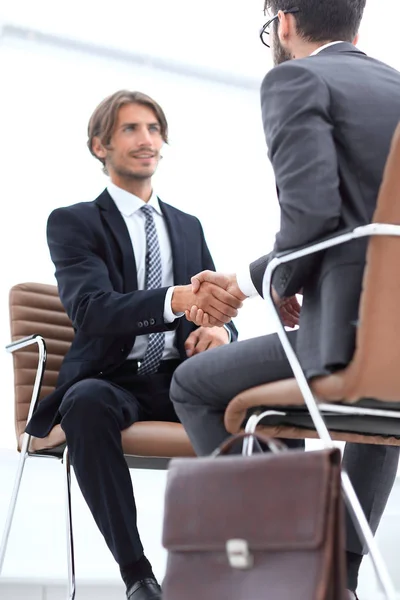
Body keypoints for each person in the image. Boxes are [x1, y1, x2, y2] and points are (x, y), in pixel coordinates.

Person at [169, 1, 400, 598]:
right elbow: (364, 225)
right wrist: (291, 279)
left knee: (193, 385)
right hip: (391, 348)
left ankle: (287, 573)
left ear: (286, 23)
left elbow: (314, 219)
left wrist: (249, 285)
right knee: (385, 404)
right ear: (356, 23)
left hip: (344, 341)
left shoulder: (296, 77)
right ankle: (338, 577)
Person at [25, 90, 240, 600]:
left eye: (154, 128)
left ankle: (271, 561)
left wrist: (219, 331)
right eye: (130, 129)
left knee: (265, 403)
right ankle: (138, 576)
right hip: (110, 380)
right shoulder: (74, 222)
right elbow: (92, 310)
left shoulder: (188, 226)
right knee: (86, 404)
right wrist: (174, 299)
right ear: (100, 146)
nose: (147, 140)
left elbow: (213, 307)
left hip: (178, 380)